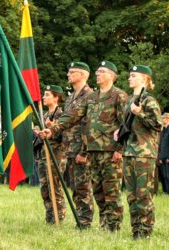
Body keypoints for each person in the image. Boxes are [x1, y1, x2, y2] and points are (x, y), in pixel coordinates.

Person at [41, 61, 127, 232]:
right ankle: (104, 224)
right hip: (93, 151)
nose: (97, 73)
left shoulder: (119, 96)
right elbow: (72, 116)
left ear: (111, 75)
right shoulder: (92, 97)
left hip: (110, 151)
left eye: (101, 71)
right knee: (98, 192)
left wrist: (120, 149)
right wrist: (53, 129)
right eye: (97, 71)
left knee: (111, 191)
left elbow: (125, 125)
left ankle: (113, 226)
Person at [117, 65, 162, 239]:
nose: (129, 78)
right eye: (129, 75)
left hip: (144, 153)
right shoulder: (129, 100)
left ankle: (145, 231)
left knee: (143, 194)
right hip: (129, 151)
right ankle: (136, 229)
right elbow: (127, 125)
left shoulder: (148, 100)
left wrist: (141, 113)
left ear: (144, 79)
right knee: (132, 195)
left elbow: (158, 124)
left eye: (133, 76)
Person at [62, 62, 94, 228]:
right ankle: (81, 218)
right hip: (70, 149)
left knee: (83, 187)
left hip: (81, 150)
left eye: (72, 72)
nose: (68, 74)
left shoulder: (90, 96)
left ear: (83, 75)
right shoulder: (70, 98)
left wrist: (85, 151)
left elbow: (90, 126)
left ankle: (85, 221)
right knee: (75, 186)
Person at [37, 85, 67, 224]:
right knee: (44, 186)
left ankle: (58, 216)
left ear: (56, 98)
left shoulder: (62, 115)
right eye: (44, 94)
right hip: (44, 155)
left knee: (54, 186)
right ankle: (49, 216)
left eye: (47, 95)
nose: (44, 97)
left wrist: (52, 128)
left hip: (57, 155)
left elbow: (65, 136)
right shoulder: (44, 115)